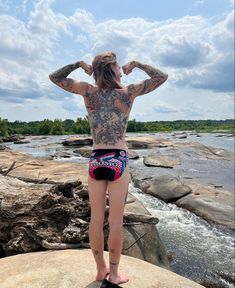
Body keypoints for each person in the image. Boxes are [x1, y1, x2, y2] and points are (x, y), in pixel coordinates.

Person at [49, 51, 168, 285]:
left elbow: (55, 77)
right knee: (115, 221)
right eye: (117, 66)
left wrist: (77, 64)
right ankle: (113, 274)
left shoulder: (87, 91)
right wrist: (137, 64)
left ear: (96, 70)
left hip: (97, 157)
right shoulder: (128, 93)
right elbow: (161, 77)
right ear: (114, 69)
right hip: (118, 158)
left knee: (95, 219)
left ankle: (99, 269)